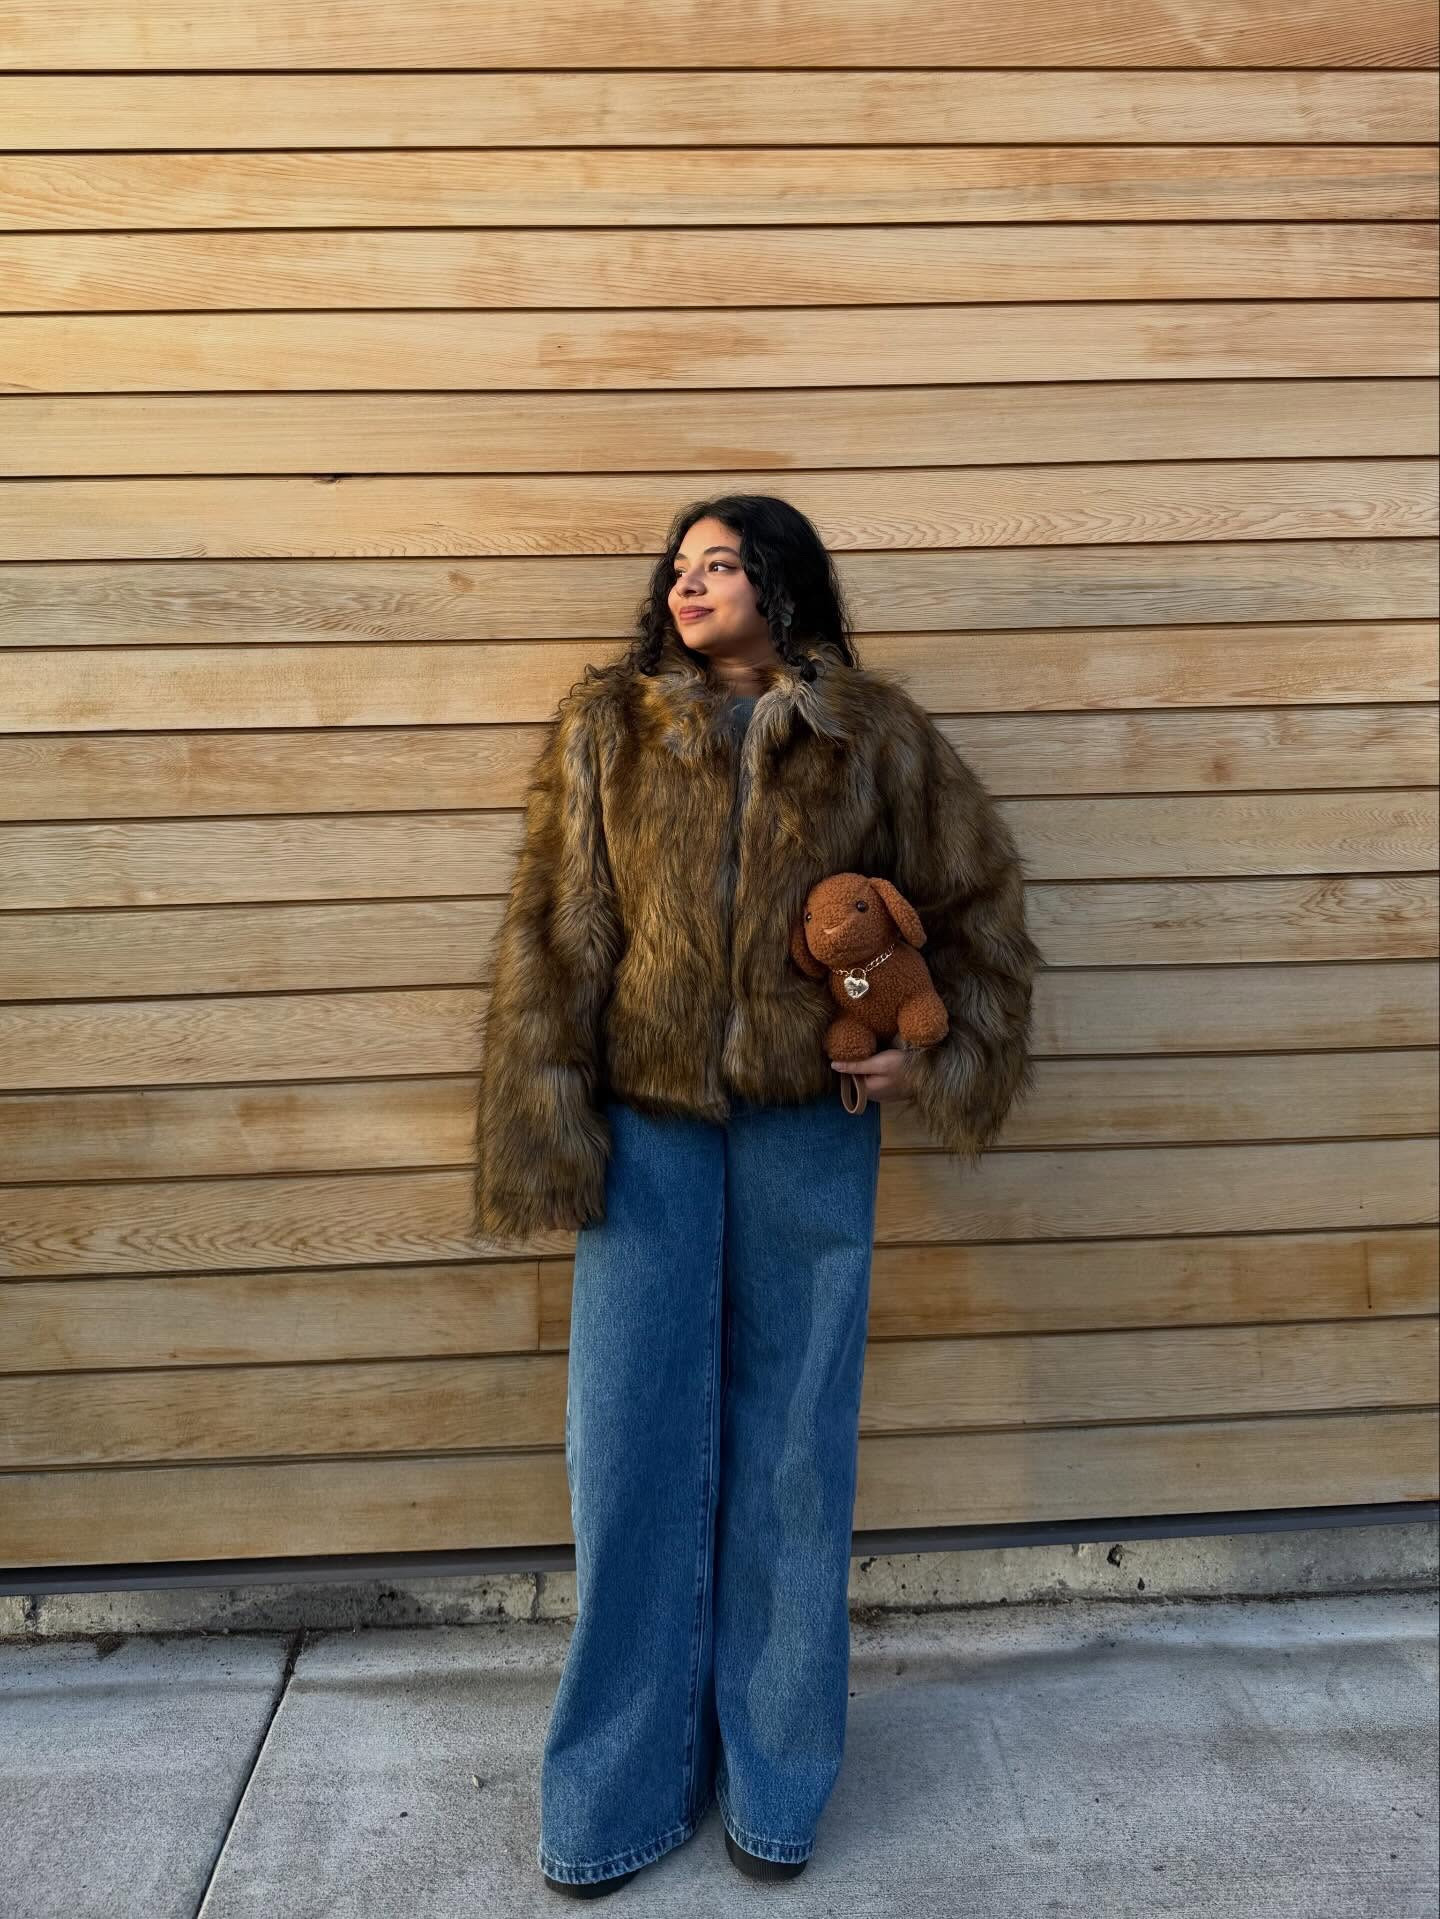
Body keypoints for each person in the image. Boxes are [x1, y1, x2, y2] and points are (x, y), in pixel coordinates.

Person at [471, 493, 1043, 1897]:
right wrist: (546, 1113)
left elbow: (978, 917)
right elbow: (554, 933)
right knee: (628, 1456)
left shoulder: (877, 736)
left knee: (795, 1454)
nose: (692, 584)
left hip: (810, 1127)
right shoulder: (606, 727)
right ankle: (614, 1796)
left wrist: (942, 1054)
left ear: (782, 584)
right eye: (679, 567)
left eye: (722, 564)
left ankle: (778, 1788)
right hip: (648, 1130)